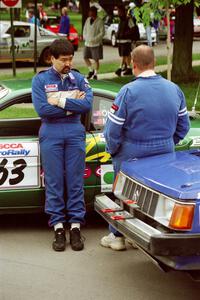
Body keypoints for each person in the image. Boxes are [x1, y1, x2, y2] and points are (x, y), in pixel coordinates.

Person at [100, 45, 190, 251]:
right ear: (154, 63)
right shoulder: (174, 89)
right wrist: (168, 142)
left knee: (122, 194)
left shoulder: (128, 92)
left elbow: (112, 130)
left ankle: (118, 237)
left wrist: (115, 150)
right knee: (156, 198)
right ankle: (143, 234)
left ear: (133, 64)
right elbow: (183, 125)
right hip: (165, 153)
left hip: (132, 153)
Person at [32, 39, 93, 252]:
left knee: (75, 180)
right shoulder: (40, 81)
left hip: (75, 132)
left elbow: (86, 105)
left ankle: (75, 226)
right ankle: (58, 226)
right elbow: (43, 110)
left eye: (70, 59)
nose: (68, 63)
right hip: (51, 132)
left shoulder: (78, 78)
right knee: (54, 180)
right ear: (52, 58)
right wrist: (73, 105)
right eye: (63, 60)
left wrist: (60, 101)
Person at [115, 5, 138, 77]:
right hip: (121, 40)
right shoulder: (121, 20)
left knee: (124, 54)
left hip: (126, 40)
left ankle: (120, 68)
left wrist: (125, 34)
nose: (118, 13)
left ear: (123, 12)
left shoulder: (128, 19)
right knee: (127, 55)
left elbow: (133, 28)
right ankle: (128, 68)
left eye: (119, 11)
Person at [83, 6, 105, 80]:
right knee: (85, 57)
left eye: (91, 11)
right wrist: (85, 37)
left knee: (96, 59)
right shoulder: (88, 20)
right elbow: (85, 30)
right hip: (87, 43)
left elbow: (102, 33)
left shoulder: (100, 21)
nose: (89, 13)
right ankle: (90, 70)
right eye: (89, 11)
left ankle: (95, 73)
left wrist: (95, 39)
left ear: (94, 12)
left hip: (96, 44)